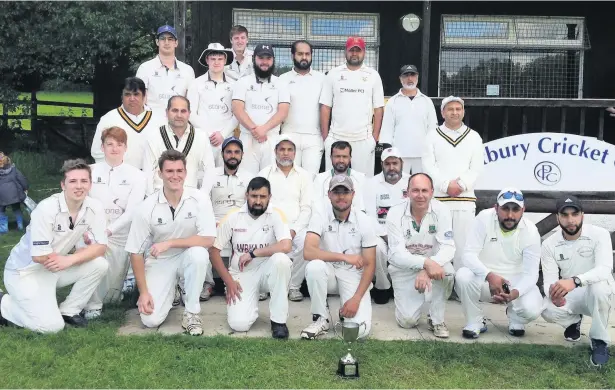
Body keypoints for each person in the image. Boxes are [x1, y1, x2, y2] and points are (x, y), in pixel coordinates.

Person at [0, 159, 109, 333]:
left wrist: (72, 258)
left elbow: (101, 246)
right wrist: (73, 258)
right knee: (51, 327)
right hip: (25, 273)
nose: (78, 186)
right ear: (63, 185)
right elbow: (39, 256)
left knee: (100, 264)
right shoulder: (46, 209)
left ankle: (70, 310)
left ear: (90, 184)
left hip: (54, 266)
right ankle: (4, 304)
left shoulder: (94, 207)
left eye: (84, 181)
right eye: (73, 181)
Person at [125, 150, 216, 336]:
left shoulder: (199, 199)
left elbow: (208, 238)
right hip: (161, 261)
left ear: (185, 172)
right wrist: (143, 293)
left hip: (188, 256)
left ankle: (191, 313)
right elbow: (135, 252)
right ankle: (172, 290)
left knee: (199, 254)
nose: (175, 176)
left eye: (179, 171)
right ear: (160, 173)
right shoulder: (146, 208)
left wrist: (170, 243)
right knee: (150, 320)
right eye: (169, 171)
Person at [209, 177, 292, 339]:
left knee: (282, 261)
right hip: (242, 273)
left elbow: (286, 245)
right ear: (247, 195)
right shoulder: (233, 216)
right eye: (254, 196)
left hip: (268, 269)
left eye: (263, 197)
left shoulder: (276, 214)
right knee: (239, 325)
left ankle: (279, 321)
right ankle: (249, 306)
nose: (258, 201)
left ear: (269, 197)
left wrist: (254, 253)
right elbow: (213, 250)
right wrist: (228, 281)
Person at [455, 187, 543, 339]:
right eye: (505, 209)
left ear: (523, 210)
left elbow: (531, 274)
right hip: (484, 279)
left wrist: (514, 294)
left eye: (515, 209)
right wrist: (489, 275)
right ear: (496, 208)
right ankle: (475, 322)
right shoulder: (483, 218)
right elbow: (468, 255)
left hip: (514, 282)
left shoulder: (531, 231)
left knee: (533, 309)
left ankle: (516, 318)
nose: (510, 215)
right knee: (463, 276)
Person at [541, 195, 614, 367]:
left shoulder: (600, 234)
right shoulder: (549, 244)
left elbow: (604, 269)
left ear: (582, 215)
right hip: (573, 292)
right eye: (564, 215)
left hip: (599, 291)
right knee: (547, 309)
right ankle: (574, 321)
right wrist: (553, 294)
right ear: (557, 217)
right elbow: (549, 280)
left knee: (599, 288)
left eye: (574, 214)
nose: (570, 220)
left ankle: (599, 341)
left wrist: (575, 280)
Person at [301, 175, 376, 340]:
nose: (341, 196)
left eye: (345, 192)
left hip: (353, 274)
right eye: (336, 192)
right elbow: (308, 251)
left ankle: (347, 307)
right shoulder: (320, 215)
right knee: (314, 267)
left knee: (360, 332)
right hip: (329, 271)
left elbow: (370, 265)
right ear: (329, 194)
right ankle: (321, 318)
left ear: (353, 194)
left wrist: (356, 299)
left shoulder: (364, 220)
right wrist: (344, 257)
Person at [84, 127, 146, 319]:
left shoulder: (137, 175)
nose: (114, 148)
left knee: (112, 297)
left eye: (119, 144)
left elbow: (132, 211)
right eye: (109, 144)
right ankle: (91, 304)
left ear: (125, 147)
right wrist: (93, 231)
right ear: (102, 147)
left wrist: (109, 230)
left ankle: (116, 289)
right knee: (93, 261)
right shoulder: (90, 171)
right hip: (92, 233)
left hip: (119, 235)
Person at [386, 173, 455, 338]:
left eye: (425, 190)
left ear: (432, 192)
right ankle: (411, 305)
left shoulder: (442, 210)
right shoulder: (395, 213)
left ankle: (436, 318)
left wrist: (427, 267)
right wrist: (425, 263)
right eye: (415, 190)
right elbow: (396, 254)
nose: (420, 195)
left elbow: (449, 247)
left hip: (431, 265)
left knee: (448, 272)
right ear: (407, 192)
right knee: (407, 322)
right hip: (403, 268)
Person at [422, 96, 484, 273]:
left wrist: (462, 185)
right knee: (437, 244)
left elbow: (477, 167)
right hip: (439, 200)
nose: (455, 112)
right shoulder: (432, 136)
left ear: (463, 112)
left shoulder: (474, 137)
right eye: (450, 109)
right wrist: (445, 185)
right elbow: (428, 165)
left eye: (458, 109)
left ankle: (460, 285)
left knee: (463, 246)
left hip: (464, 201)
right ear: (442, 112)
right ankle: (439, 283)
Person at [320, 36, 385, 177]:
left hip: (363, 139)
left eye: (358, 50)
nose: (354, 54)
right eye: (351, 50)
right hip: (336, 137)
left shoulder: (373, 75)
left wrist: (374, 138)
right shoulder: (333, 74)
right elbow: (325, 107)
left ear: (364, 52)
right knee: (333, 183)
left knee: (362, 184)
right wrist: (326, 138)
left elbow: (379, 108)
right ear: (346, 52)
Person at [258, 135, 313, 302]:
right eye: (282, 149)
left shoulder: (304, 175)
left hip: (296, 228)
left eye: (290, 150)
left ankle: (293, 286)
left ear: (295, 153)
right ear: (275, 151)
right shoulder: (264, 173)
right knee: (259, 240)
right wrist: (279, 230)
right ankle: (264, 286)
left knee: (307, 243)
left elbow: (307, 208)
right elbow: (259, 204)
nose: (285, 153)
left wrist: (294, 230)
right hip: (269, 225)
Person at [200, 136, 255, 300]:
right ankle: (207, 284)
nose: (232, 155)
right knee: (203, 242)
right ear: (222, 154)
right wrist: (211, 222)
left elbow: (252, 205)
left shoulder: (249, 176)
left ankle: (234, 282)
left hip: (240, 221)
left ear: (242, 155)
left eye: (236, 152)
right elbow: (203, 200)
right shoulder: (211, 174)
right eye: (229, 152)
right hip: (215, 221)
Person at [231, 44, 290, 173]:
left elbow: (283, 111)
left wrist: (264, 129)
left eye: (268, 58)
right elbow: (237, 108)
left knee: (270, 180)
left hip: (271, 138)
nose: (264, 62)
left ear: (273, 60)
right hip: (248, 138)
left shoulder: (281, 83)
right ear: (254, 59)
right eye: (261, 58)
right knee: (246, 179)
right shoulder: (243, 82)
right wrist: (254, 129)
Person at [363, 147, 411, 304]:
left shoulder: (411, 181)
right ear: (382, 164)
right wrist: (387, 236)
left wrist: (400, 238)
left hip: (407, 233)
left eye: (395, 163)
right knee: (376, 248)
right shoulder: (371, 183)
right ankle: (382, 286)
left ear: (401, 163)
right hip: (382, 234)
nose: (392, 168)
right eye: (387, 164)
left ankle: (405, 286)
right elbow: (370, 216)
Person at [142, 96, 215, 195]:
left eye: (183, 111)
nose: (179, 115)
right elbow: (147, 172)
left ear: (189, 113)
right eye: (175, 110)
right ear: (167, 112)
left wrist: (202, 196)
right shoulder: (154, 136)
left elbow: (209, 170)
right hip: (160, 197)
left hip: (190, 197)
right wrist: (152, 199)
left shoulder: (201, 136)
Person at [379, 65, 438, 174]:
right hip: (399, 155)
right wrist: (390, 155)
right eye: (406, 75)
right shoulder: (393, 101)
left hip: (422, 155)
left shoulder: (427, 101)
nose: (409, 79)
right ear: (400, 79)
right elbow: (387, 129)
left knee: (420, 186)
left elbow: (432, 129)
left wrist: (432, 153)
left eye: (412, 75)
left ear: (417, 77)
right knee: (400, 188)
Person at [278, 40, 325, 176]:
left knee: (310, 180)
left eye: (307, 54)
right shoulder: (282, 79)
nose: (304, 57)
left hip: (314, 138)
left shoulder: (322, 79)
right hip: (289, 135)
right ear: (292, 55)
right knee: (290, 178)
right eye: (300, 54)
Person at [187, 43, 238, 167]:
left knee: (224, 177)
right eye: (213, 59)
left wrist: (223, 134)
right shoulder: (196, 84)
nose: (216, 62)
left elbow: (237, 113)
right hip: (203, 139)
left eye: (220, 59)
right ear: (207, 60)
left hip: (226, 140)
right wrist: (209, 134)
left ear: (225, 60)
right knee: (201, 177)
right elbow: (191, 113)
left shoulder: (235, 85)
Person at [91, 77, 159, 169]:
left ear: (144, 96)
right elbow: (97, 152)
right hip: (119, 177)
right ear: (121, 97)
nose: (132, 98)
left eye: (136, 94)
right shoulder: (108, 119)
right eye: (127, 94)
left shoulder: (158, 119)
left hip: (152, 177)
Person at [136, 25, 195, 120]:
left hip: (178, 124)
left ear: (176, 43)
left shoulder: (188, 70)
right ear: (157, 42)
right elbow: (139, 100)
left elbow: (191, 102)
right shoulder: (145, 68)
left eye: (170, 39)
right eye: (163, 39)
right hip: (151, 124)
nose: (166, 42)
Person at [312, 141, 365, 211]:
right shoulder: (320, 179)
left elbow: (362, 209)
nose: (341, 160)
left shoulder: (361, 178)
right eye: (337, 156)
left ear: (350, 158)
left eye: (345, 157)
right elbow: (316, 209)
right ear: (331, 158)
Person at [0, 152, 28, 234]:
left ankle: (3, 229)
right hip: (15, 194)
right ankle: (20, 226)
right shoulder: (14, 170)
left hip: (2, 196)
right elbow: (22, 179)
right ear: (8, 161)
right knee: (16, 209)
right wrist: (25, 188)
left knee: (1, 211)